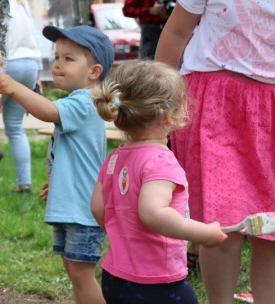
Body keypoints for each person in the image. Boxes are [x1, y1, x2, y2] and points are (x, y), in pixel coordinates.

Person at [155, 1, 275, 303]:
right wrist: (156, 103)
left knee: (273, 229)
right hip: (215, 105)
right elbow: (177, 31)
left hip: (271, 108)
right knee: (222, 225)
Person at [0, 25, 114, 303]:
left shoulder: (85, 101)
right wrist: (59, 182)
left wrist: (15, 88)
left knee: (82, 274)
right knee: (74, 271)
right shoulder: (80, 100)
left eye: (69, 59)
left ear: (94, 72)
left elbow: (48, 112)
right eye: (57, 57)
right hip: (73, 205)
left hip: (82, 210)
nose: (58, 64)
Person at [90, 60, 228, 304]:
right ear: (167, 116)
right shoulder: (160, 161)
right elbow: (153, 213)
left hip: (114, 276)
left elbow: (98, 208)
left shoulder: (115, 158)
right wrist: (204, 233)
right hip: (156, 281)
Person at [1, 0, 41, 193]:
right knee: (16, 128)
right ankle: (24, 184)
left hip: (8, 62)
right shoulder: (23, 4)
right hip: (30, 64)